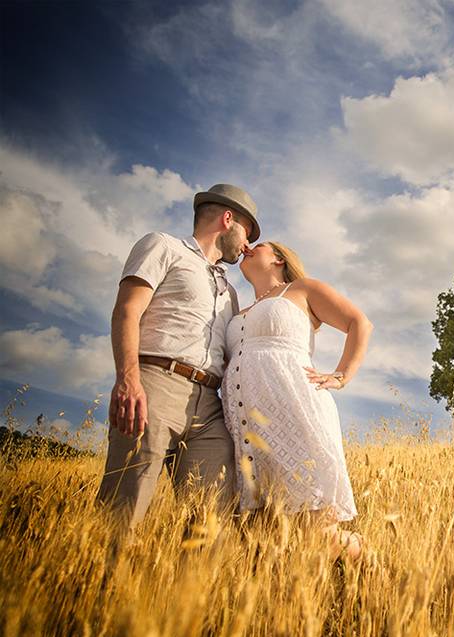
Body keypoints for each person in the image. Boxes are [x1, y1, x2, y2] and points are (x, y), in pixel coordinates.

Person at [96, 183, 259, 529]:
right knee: (125, 508)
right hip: (156, 385)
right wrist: (128, 381)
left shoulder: (229, 292)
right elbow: (127, 310)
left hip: (210, 406)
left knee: (212, 518)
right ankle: (103, 579)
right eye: (248, 231)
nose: (249, 244)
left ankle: (193, 584)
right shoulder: (163, 246)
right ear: (228, 219)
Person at [221, 240, 372, 560]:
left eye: (257, 245)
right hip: (248, 428)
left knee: (316, 532)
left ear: (278, 258)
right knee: (265, 533)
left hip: (296, 414)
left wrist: (341, 375)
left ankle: (369, 565)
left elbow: (359, 323)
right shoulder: (237, 311)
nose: (246, 246)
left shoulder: (301, 289)